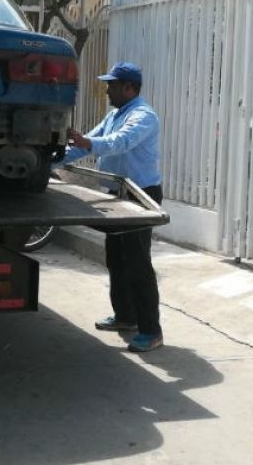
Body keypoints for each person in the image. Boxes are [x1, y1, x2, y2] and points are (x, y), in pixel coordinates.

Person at [57, 61, 165, 353]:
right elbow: (84, 145)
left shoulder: (143, 116)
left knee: (137, 263)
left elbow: (120, 142)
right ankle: (125, 316)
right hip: (117, 194)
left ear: (129, 88)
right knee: (116, 258)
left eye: (112, 85)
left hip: (140, 196)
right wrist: (48, 163)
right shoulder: (116, 114)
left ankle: (151, 331)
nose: (107, 90)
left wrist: (87, 142)